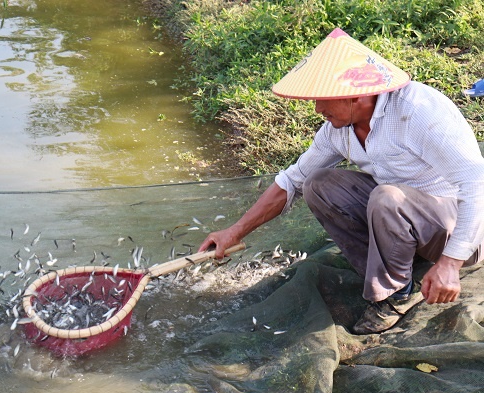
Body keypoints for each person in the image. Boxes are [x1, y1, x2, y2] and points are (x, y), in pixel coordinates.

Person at [199, 28, 484, 335]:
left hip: (462, 232)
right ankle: (394, 274)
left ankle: (396, 295)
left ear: (358, 95)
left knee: (387, 198)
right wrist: (234, 231)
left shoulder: (418, 113)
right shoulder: (339, 128)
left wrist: (451, 264)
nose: (318, 110)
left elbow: (475, 182)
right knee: (319, 185)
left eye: (325, 101)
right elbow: (292, 181)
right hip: (407, 222)